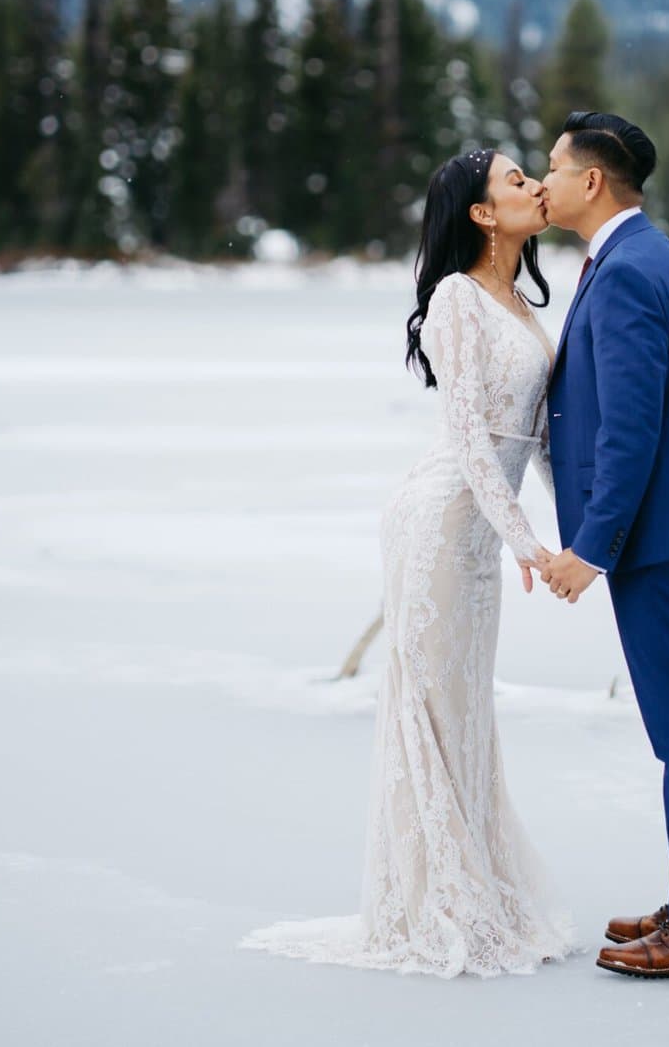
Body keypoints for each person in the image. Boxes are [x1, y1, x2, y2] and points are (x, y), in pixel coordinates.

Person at [240, 147, 575, 978]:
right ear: (482, 215)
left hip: (482, 535)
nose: (535, 184)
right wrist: (525, 539)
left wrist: (582, 533)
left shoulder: (523, 304)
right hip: (438, 525)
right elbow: (467, 437)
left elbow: (531, 442)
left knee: (468, 710)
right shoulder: (458, 299)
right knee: (426, 708)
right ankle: (430, 903)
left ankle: (477, 885)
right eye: (514, 180)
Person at [536, 110, 669, 980]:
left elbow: (632, 429)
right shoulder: (635, 257)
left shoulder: (628, 272)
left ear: (592, 181)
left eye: (552, 166)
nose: (542, 180)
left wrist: (593, 546)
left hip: (659, 534)